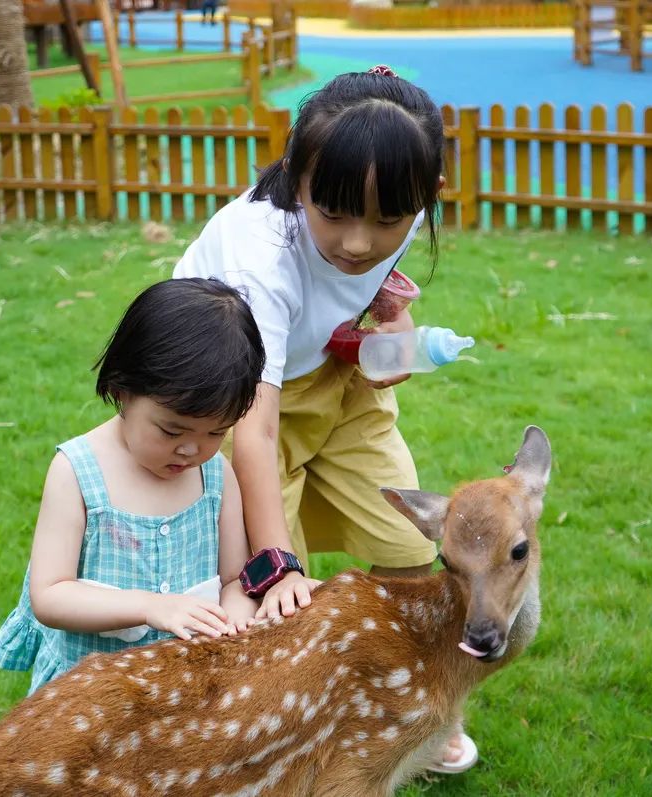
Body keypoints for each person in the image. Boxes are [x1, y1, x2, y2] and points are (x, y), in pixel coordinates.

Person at [173, 68, 478, 774]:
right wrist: (273, 562)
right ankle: (271, 741)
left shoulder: (394, 207)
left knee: (407, 539)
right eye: (334, 212)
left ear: (423, 198)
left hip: (336, 385)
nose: (357, 242)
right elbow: (253, 424)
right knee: (270, 597)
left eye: (386, 219)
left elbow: (369, 275)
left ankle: (398, 707)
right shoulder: (261, 257)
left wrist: (393, 320)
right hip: (233, 399)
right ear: (300, 177)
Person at [0, 278, 266, 694]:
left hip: (186, 688)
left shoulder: (216, 476)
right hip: (89, 699)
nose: (191, 449)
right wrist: (150, 607)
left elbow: (233, 579)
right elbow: (49, 595)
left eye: (216, 433)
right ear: (122, 391)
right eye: (172, 430)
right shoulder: (77, 473)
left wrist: (234, 622)